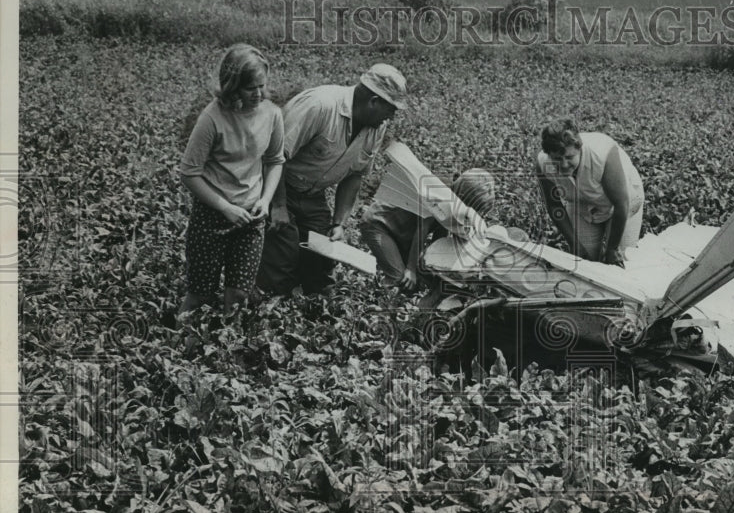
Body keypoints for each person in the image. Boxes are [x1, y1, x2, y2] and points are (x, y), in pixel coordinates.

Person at [257, 63, 407, 295]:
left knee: (321, 260)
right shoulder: (320, 106)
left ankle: (310, 313)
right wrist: (277, 206)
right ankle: (269, 308)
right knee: (282, 256)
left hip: (312, 195)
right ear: (373, 101)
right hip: (275, 186)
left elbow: (355, 175)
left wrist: (339, 223)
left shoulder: (377, 127)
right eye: (391, 109)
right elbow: (274, 157)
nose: (392, 116)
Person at [178, 44, 284, 315]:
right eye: (250, 88)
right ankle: (180, 351)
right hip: (212, 216)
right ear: (232, 86)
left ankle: (226, 352)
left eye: (262, 86)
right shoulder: (212, 118)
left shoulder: (272, 114)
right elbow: (189, 173)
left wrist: (265, 200)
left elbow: (274, 161)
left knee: (238, 295)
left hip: (250, 219)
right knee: (199, 295)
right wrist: (226, 208)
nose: (258, 94)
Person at [360, 168, 496, 292]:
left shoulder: (454, 198)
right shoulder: (440, 193)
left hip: (402, 232)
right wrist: (411, 269)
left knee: (419, 283)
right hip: (379, 225)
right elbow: (422, 228)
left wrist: (435, 266)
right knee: (401, 280)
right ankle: (381, 301)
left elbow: (442, 230)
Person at [535, 116, 644, 266]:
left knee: (623, 260)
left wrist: (612, 249)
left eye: (569, 157)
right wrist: (574, 244)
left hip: (622, 202)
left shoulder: (602, 153)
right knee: (583, 261)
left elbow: (621, 204)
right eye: (557, 159)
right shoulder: (543, 163)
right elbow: (554, 205)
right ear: (549, 155)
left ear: (579, 148)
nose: (564, 164)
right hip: (583, 204)